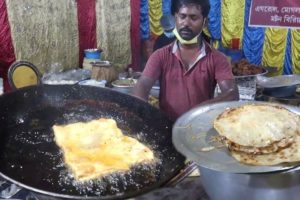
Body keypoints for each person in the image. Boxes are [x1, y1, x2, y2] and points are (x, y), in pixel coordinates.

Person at [133, 0, 239, 121]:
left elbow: (232, 94)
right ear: (175, 19)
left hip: (199, 129)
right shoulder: (160, 56)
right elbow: (142, 85)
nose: (186, 23)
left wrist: (199, 110)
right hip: (167, 127)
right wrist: (142, 111)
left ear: (205, 22)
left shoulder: (217, 59)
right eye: (182, 17)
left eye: (193, 18)